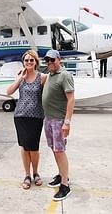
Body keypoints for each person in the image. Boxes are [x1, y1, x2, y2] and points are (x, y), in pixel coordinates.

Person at [6, 50, 47, 190]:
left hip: (36, 117)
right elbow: (9, 92)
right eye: (26, 60)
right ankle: (27, 175)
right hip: (20, 116)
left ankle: (36, 172)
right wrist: (19, 78)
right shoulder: (20, 77)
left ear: (36, 62)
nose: (29, 62)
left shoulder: (42, 77)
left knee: (34, 148)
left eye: (31, 60)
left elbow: (48, 96)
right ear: (23, 62)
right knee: (24, 147)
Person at [42, 49, 75, 201]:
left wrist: (67, 122)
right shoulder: (50, 75)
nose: (49, 63)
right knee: (54, 150)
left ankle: (65, 185)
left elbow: (71, 99)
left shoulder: (65, 75)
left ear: (59, 60)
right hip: (48, 119)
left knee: (60, 151)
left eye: (52, 60)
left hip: (58, 120)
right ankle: (62, 175)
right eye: (47, 60)